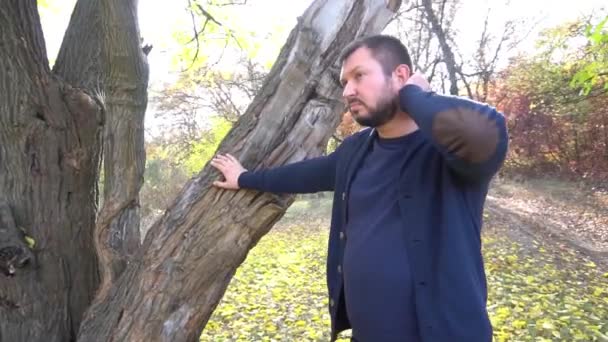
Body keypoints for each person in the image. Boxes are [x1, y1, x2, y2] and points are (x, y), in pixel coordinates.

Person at [211, 34, 508, 342]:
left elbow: (483, 132)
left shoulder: (447, 153)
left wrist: (415, 96)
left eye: (359, 76)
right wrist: (244, 178)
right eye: (344, 82)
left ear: (400, 76)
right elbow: (304, 175)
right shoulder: (356, 150)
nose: (348, 91)